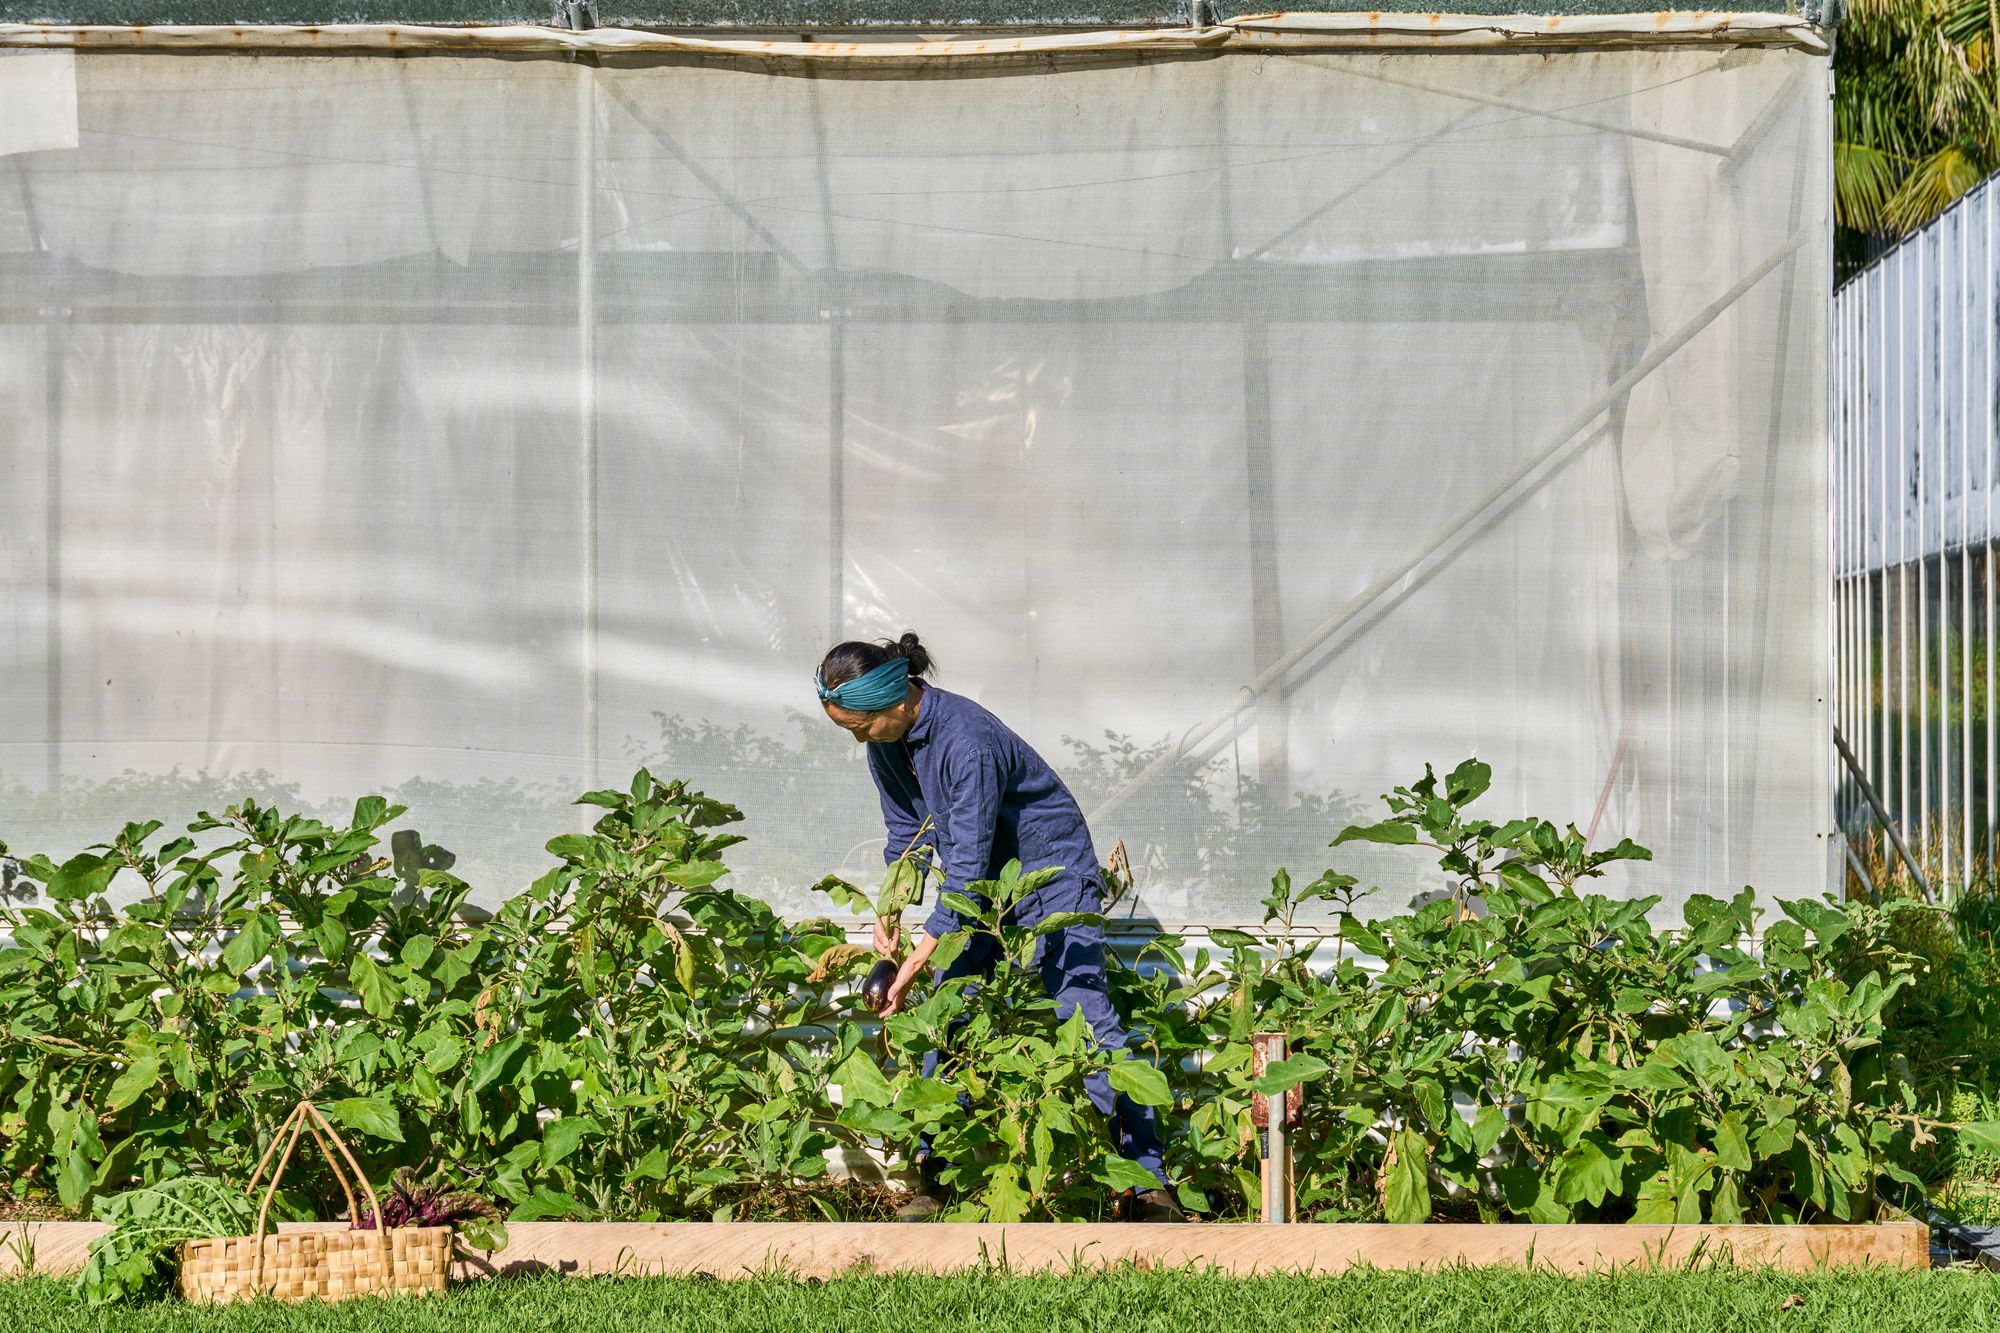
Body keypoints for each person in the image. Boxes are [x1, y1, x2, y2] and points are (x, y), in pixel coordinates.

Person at [815, 632, 1183, 1223]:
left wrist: (914, 962)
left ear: (898, 700)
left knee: (1083, 1016)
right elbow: (906, 837)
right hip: (985, 885)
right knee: (945, 1018)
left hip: (1050, 877)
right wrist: (890, 911)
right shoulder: (885, 744)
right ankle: (937, 1182)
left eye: (859, 726)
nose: (856, 737)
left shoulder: (968, 741)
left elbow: (963, 870)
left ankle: (1147, 1185)